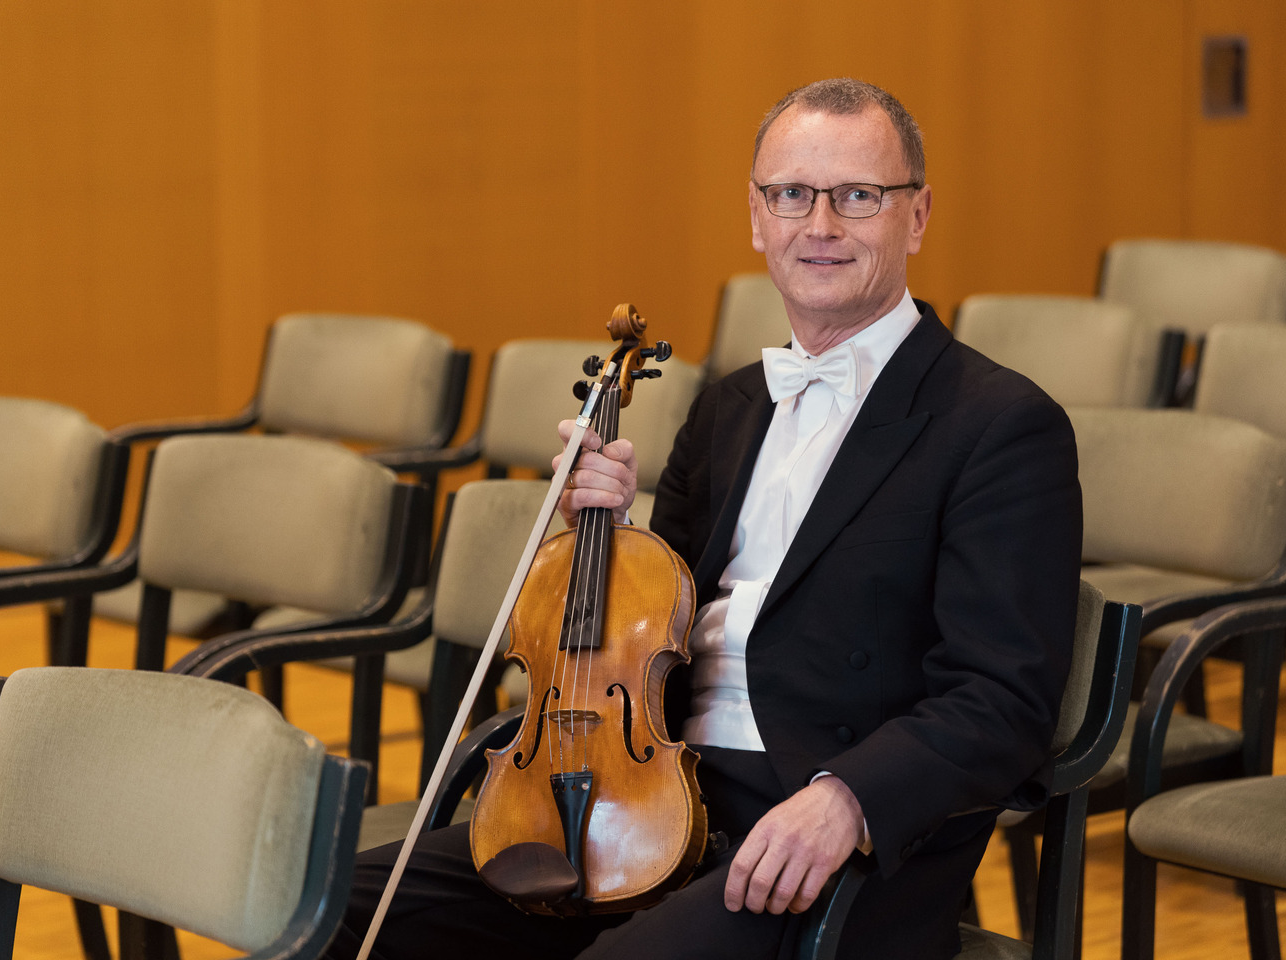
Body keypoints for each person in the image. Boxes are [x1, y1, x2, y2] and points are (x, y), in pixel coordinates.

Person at [327, 77, 1081, 960]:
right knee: (328, 908)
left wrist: (846, 799)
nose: (821, 225)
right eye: (791, 194)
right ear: (757, 217)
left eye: (858, 196)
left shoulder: (1001, 424)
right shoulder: (729, 408)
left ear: (916, 217)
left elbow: (1002, 697)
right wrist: (609, 534)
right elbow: (656, 638)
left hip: (821, 835)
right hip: (645, 796)